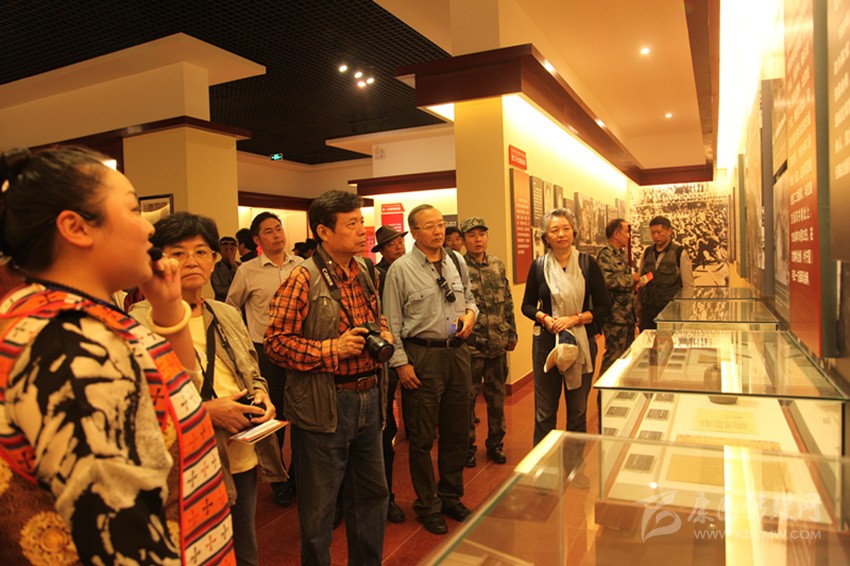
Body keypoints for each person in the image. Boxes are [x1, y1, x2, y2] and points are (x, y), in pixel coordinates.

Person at [0, 146, 234, 564]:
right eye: (132, 209)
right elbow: (121, 538)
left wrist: (167, 307)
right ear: (76, 228)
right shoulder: (71, 346)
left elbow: (174, 397)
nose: (148, 228)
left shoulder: (74, 315)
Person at [131, 212, 287, 566]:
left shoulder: (224, 312)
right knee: (194, 549)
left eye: (201, 252)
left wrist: (262, 395)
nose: (191, 261)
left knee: (244, 546)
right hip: (186, 457)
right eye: (178, 253)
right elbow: (140, 403)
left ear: (215, 259)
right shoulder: (140, 320)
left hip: (241, 449)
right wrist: (205, 412)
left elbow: (252, 371)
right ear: (158, 259)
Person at [265, 190, 391, 565]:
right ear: (323, 231)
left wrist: (383, 332)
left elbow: (377, 317)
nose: (362, 231)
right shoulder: (302, 278)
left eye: (361, 222)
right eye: (351, 224)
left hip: (370, 395)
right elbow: (275, 344)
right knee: (319, 509)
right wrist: (333, 349)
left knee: (372, 496)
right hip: (326, 404)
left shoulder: (365, 271)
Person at [383, 204, 478, 535]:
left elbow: (470, 299)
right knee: (422, 437)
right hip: (421, 356)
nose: (439, 231)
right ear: (414, 232)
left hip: (457, 354)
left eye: (440, 224)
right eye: (430, 226)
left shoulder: (456, 261)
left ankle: (451, 496)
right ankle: (428, 504)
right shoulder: (400, 270)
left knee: (457, 431)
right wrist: (401, 363)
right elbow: (391, 323)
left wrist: (471, 315)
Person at [521, 209, 610, 487]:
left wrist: (575, 319)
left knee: (578, 412)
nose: (561, 234)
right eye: (554, 230)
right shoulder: (539, 267)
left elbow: (604, 306)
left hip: (581, 342)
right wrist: (544, 318)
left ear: (574, 232)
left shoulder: (587, 264)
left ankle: (574, 468)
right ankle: (543, 470)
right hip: (547, 343)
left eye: (566, 229)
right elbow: (527, 305)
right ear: (545, 237)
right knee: (544, 413)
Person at [226, 211, 299, 505]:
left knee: (303, 416)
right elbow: (231, 308)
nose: (276, 235)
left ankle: (299, 475)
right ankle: (279, 479)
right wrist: (244, 342)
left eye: (278, 229)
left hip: (300, 350)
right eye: (268, 231)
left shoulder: (301, 266)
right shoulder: (248, 271)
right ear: (257, 240)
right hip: (266, 352)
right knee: (273, 416)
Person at [459, 216, 517, 467]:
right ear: (463, 240)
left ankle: (495, 444)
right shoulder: (458, 267)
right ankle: (467, 447)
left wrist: (512, 332)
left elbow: (508, 300)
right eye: (471, 235)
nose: (478, 239)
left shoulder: (497, 264)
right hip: (472, 345)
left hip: (497, 343)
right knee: (467, 400)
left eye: (481, 234)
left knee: (497, 398)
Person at [372, 224, 408, 523]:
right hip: (382, 354)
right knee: (382, 428)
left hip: (406, 348)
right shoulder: (376, 275)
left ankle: (385, 497)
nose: (398, 246)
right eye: (392, 243)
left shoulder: (410, 269)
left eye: (400, 241)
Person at [636, 215, 694, 330]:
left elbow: (688, 285)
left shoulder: (679, 253)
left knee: (667, 340)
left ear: (669, 231)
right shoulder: (647, 252)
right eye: (652, 233)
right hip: (648, 310)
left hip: (670, 310)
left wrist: (685, 316)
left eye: (659, 232)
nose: (655, 236)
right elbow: (642, 280)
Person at [596, 218, 639, 375]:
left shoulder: (619, 254)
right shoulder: (606, 255)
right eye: (626, 232)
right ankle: (603, 388)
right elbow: (607, 281)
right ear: (616, 233)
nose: (628, 236)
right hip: (615, 316)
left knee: (626, 355)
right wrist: (631, 279)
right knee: (613, 356)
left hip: (627, 315)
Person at [212, 235, 240, 301]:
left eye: (232, 249)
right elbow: (219, 290)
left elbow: (247, 284)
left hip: (239, 304)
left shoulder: (242, 266)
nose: (229, 252)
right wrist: (238, 291)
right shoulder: (215, 268)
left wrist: (234, 265)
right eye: (226, 250)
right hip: (222, 304)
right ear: (220, 251)